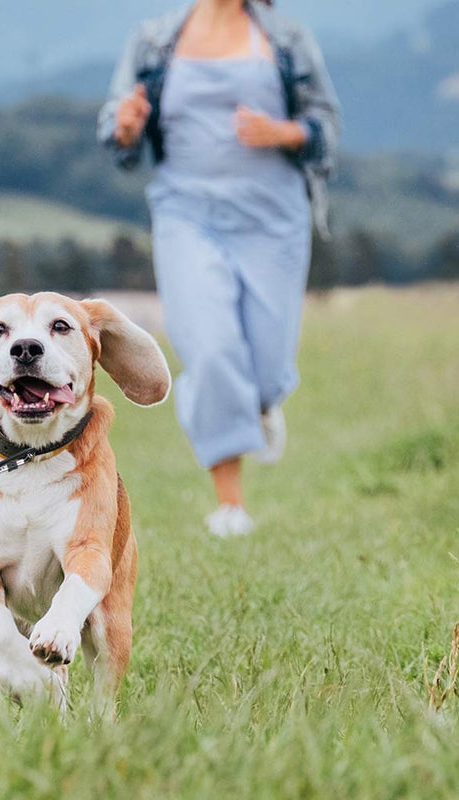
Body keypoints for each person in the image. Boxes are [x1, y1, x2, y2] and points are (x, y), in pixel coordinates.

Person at [98, 0, 341, 537]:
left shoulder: (286, 39)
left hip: (273, 220)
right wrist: (125, 125)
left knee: (269, 360)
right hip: (186, 215)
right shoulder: (154, 40)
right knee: (209, 348)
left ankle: (261, 399)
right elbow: (116, 131)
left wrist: (285, 133)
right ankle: (230, 504)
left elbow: (327, 127)